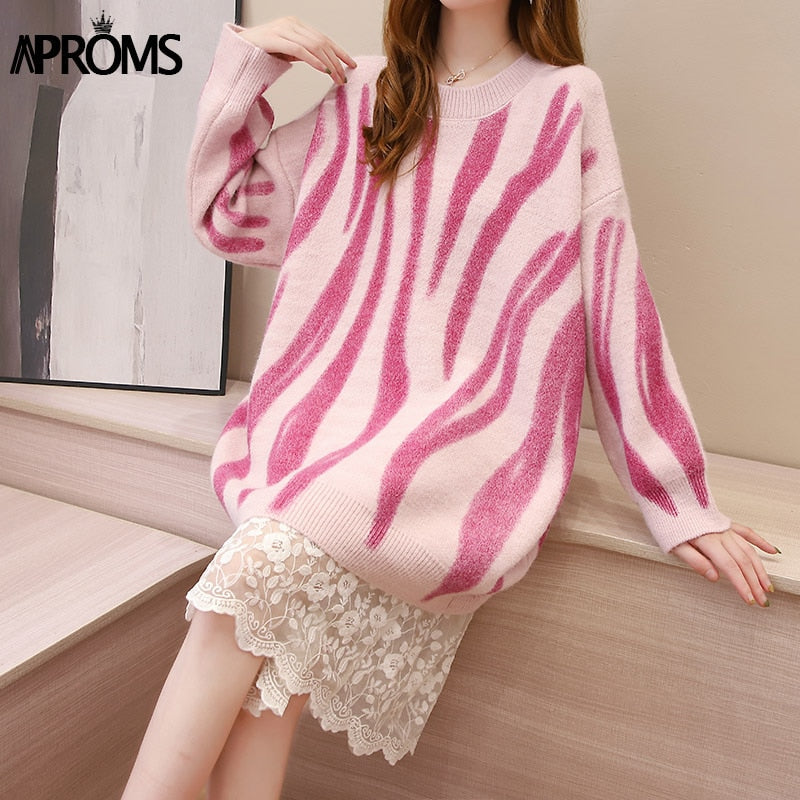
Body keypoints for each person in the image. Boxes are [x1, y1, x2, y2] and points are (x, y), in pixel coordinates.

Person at [122, 1, 779, 798]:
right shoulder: (364, 93)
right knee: (271, 675)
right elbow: (228, 217)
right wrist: (250, 63)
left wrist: (679, 498)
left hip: (467, 450)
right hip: (321, 429)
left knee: (245, 602)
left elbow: (615, 296)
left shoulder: (565, 100)